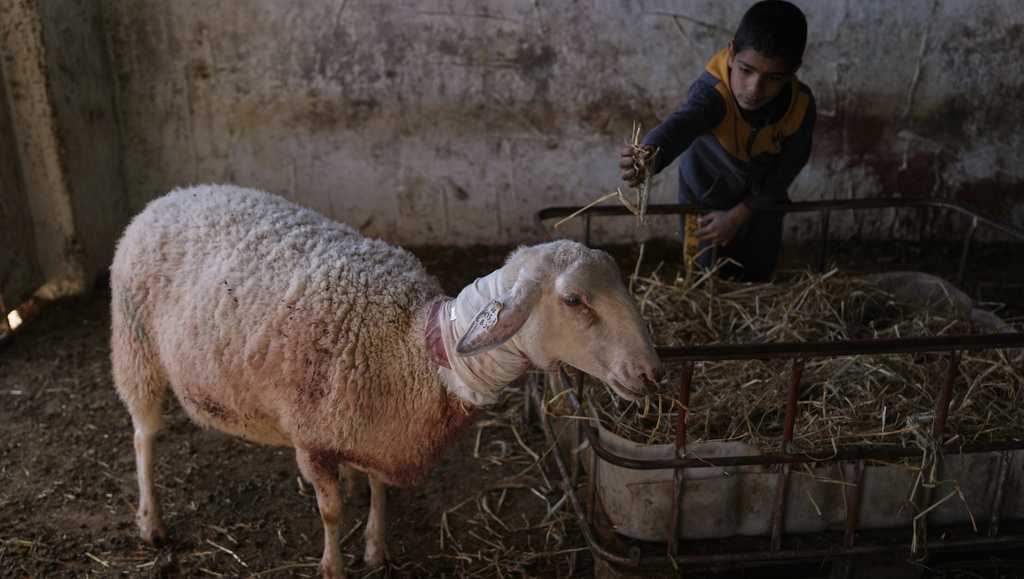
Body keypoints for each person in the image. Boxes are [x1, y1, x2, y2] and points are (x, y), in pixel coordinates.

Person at [620, 0, 815, 282]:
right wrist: (648, 154)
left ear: (794, 70)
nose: (754, 89)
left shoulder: (801, 107)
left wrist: (740, 214)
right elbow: (681, 124)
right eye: (746, 70)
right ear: (732, 52)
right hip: (704, 194)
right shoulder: (713, 92)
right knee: (701, 273)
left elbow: (788, 167)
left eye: (772, 78)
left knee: (758, 270)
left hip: (762, 196)